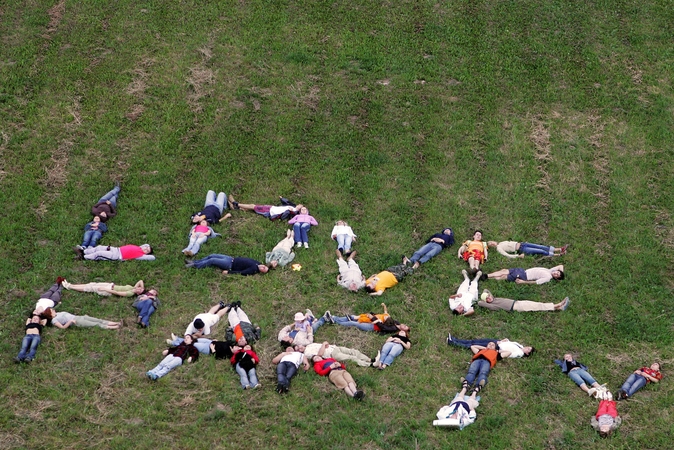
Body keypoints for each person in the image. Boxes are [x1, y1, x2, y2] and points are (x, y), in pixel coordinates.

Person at [447, 334, 535, 358]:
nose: (527, 347)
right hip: (497, 342)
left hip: (496, 347)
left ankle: (453, 342)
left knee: (474, 345)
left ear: (527, 353)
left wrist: (497, 350)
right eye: (528, 347)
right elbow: (510, 343)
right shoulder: (520, 346)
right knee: (475, 341)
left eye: (528, 349)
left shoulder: (519, 353)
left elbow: (509, 353)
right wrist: (505, 340)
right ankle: (456, 339)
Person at [477, 290, 570, 312]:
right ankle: (558, 305)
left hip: (518, 302)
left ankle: (558, 307)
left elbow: (486, 289)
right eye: (487, 299)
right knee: (537, 306)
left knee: (537, 304)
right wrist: (484, 299)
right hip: (517, 307)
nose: (489, 298)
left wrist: (486, 294)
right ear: (487, 302)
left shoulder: (494, 298)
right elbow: (480, 303)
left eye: (489, 296)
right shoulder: (493, 305)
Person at [228, 194, 303, 222]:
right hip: (271, 208)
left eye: (301, 206)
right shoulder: (292, 206)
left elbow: (284, 216)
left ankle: (235, 203)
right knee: (253, 208)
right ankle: (235, 208)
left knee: (253, 206)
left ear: (300, 209)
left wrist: (289, 211)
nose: (299, 204)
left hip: (270, 212)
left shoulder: (293, 211)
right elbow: (286, 202)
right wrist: (282, 198)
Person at [303, 341, 375, 367]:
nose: (299, 347)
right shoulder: (306, 353)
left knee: (354, 351)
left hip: (334, 348)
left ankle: (370, 360)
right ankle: (370, 365)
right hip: (332, 354)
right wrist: (324, 344)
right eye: (297, 349)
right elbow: (319, 355)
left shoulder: (310, 345)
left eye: (298, 346)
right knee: (351, 357)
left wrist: (326, 344)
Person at [185, 254, 269, 275]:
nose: (263, 267)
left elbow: (241, 273)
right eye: (264, 266)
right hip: (230, 258)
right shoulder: (257, 263)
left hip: (229, 264)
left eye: (263, 269)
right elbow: (270, 264)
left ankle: (195, 265)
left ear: (261, 271)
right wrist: (271, 265)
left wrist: (228, 272)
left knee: (212, 260)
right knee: (212, 255)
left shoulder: (253, 269)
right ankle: (195, 261)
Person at [483, 265, 564, 284]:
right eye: (557, 272)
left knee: (504, 276)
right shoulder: (550, 271)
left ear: (555, 278)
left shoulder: (548, 277)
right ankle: (486, 276)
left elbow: (536, 282)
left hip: (524, 276)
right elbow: (561, 266)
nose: (556, 272)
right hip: (522, 271)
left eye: (557, 275)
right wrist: (561, 273)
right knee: (504, 271)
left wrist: (523, 282)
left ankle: (486, 277)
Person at [61, 279, 145, 297]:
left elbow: (117, 293)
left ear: (138, 293)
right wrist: (143, 289)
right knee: (90, 284)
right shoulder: (132, 287)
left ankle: (70, 287)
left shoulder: (131, 293)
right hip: (110, 285)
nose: (139, 288)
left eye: (140, 290)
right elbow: (140, 281)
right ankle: (71, 285)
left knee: (90, 288)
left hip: (109, 290)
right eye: (140, 288)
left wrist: (105, 289)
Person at [488, 240, 568, 258]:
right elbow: (507, 255)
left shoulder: (501, 243)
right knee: (540, 251)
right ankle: (558, 255)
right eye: (490, 244)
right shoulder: (499, 248)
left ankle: (560, 249)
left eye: (491, 242)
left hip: (523, 244)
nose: (492, 243)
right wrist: (518, 256)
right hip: (522, 250)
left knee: (541, 247)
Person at [75, 244, 155, 261]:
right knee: (99, 247)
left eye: (147, 250)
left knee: (99, 254)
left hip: (117, 255)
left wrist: (147, 253)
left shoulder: (140, 255)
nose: (145, 249)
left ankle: (83, 257)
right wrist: (146, 246)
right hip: (116, 249)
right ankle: (84, 251)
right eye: (146, 248)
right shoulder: (139, 247)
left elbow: (152, 257)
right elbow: (146, 244)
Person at [51, 310, 122, 329]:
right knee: (96, 324)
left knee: (99, 320)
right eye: (51, 310)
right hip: (77, 321)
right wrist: (70, 321)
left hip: (80, 317)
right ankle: (115, 327)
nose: (53, 309)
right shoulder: (54, 320)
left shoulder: (58, 313)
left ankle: (117, 323)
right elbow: (62, 327)